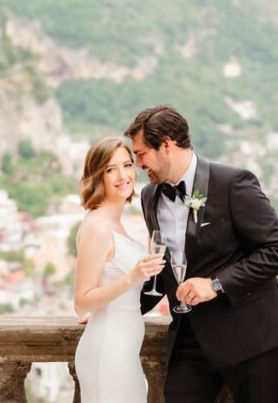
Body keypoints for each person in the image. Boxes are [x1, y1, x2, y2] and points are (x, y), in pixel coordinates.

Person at [127, 104, 278, 403]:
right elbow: (165, 272)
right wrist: (116, 310)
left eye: (140, 154)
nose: (138, 163)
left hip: (253, 338)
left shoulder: (233, 183)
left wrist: (215, 284)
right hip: (190, 341)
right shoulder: (149, 196)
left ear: (166, 145)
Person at [73, 137, 166, 403]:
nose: (123, 175)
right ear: (97, 175)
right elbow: (81, 302)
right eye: (110, 169)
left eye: (127, 165)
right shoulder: (98, 228)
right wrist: (132, 277)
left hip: (124, 351)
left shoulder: (116, 223)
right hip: (108, 352)